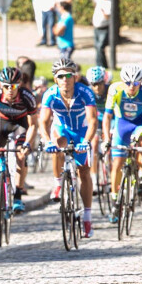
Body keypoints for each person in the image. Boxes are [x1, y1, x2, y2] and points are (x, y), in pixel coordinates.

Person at [39, 59, 98, 238]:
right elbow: (43, 121)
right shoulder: (50, 94)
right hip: (62, 130)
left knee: (84, 172)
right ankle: (58, 183)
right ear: (55, 79)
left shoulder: (85, 92)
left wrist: (86, 141)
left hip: (81, 131)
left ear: (75, 77)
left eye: (69, 75)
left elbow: (93, 120)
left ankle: (87, 217)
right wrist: (46, 140)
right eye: (61, 76)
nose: (65, 79)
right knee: (57, 144)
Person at [101, 64, 142, 222]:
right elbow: (107, 117)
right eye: (128, 83)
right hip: (122, 124)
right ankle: (115, 200)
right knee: (117, 163)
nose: (132, 86)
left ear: (141, 82)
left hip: (141, 124)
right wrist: (106, 139)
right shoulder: (115, 89)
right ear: (122, 81)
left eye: (136, 83)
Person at [0, 67, 39, 218]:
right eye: (6, 86)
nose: (10, 89)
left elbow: (33, 124)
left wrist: (28, 143)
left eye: (13, 86)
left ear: (19, 84)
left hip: (20, 125)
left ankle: (18, 197)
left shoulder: (27, 97)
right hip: (0, 123)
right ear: (1, 85)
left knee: (21, 156)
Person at [88, 0, 111, 68]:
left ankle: (102, 65)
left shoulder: (109, 2)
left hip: (104, 28)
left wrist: (104, 12)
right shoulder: (99, 0)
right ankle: (100, 64)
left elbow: (108, 16)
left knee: (100, 47)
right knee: (97, 47)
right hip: (96, 27)